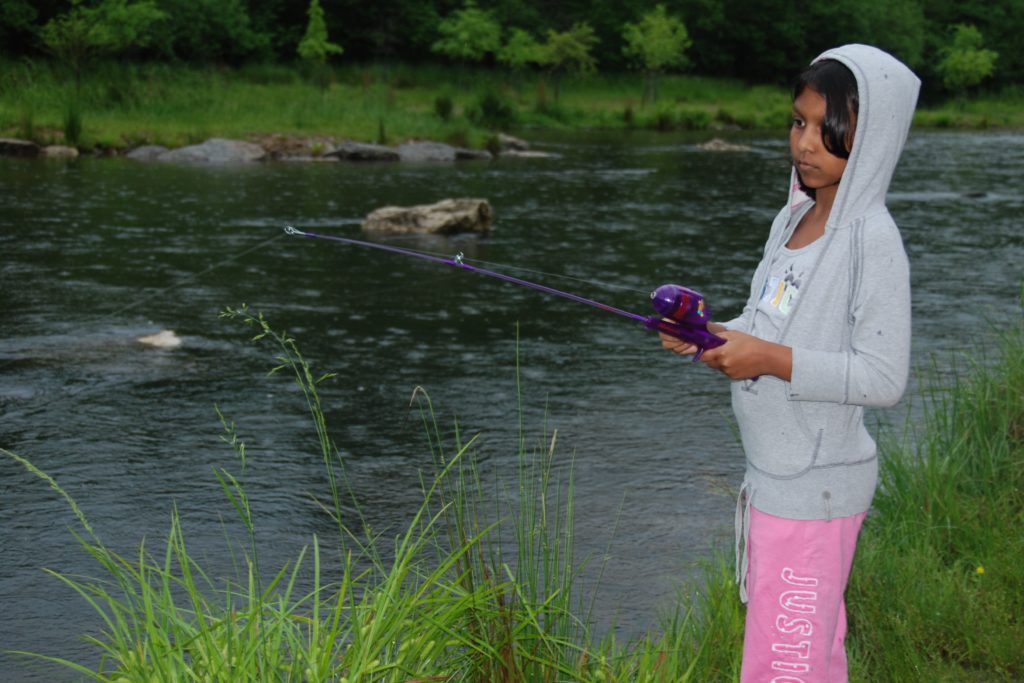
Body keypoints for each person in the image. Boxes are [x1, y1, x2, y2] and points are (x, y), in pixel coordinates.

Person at [661, 44, 919, 682]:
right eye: (797, 123)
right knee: (799, 657)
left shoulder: (873, 242)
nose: (804, 144)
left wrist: (770, 359)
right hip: (775, 480)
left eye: (826, 132)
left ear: (874, 141)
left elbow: (884, 378)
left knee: (785, 666)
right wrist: (713, 336)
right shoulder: (794, 217)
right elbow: (768, 320)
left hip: (816, 487)